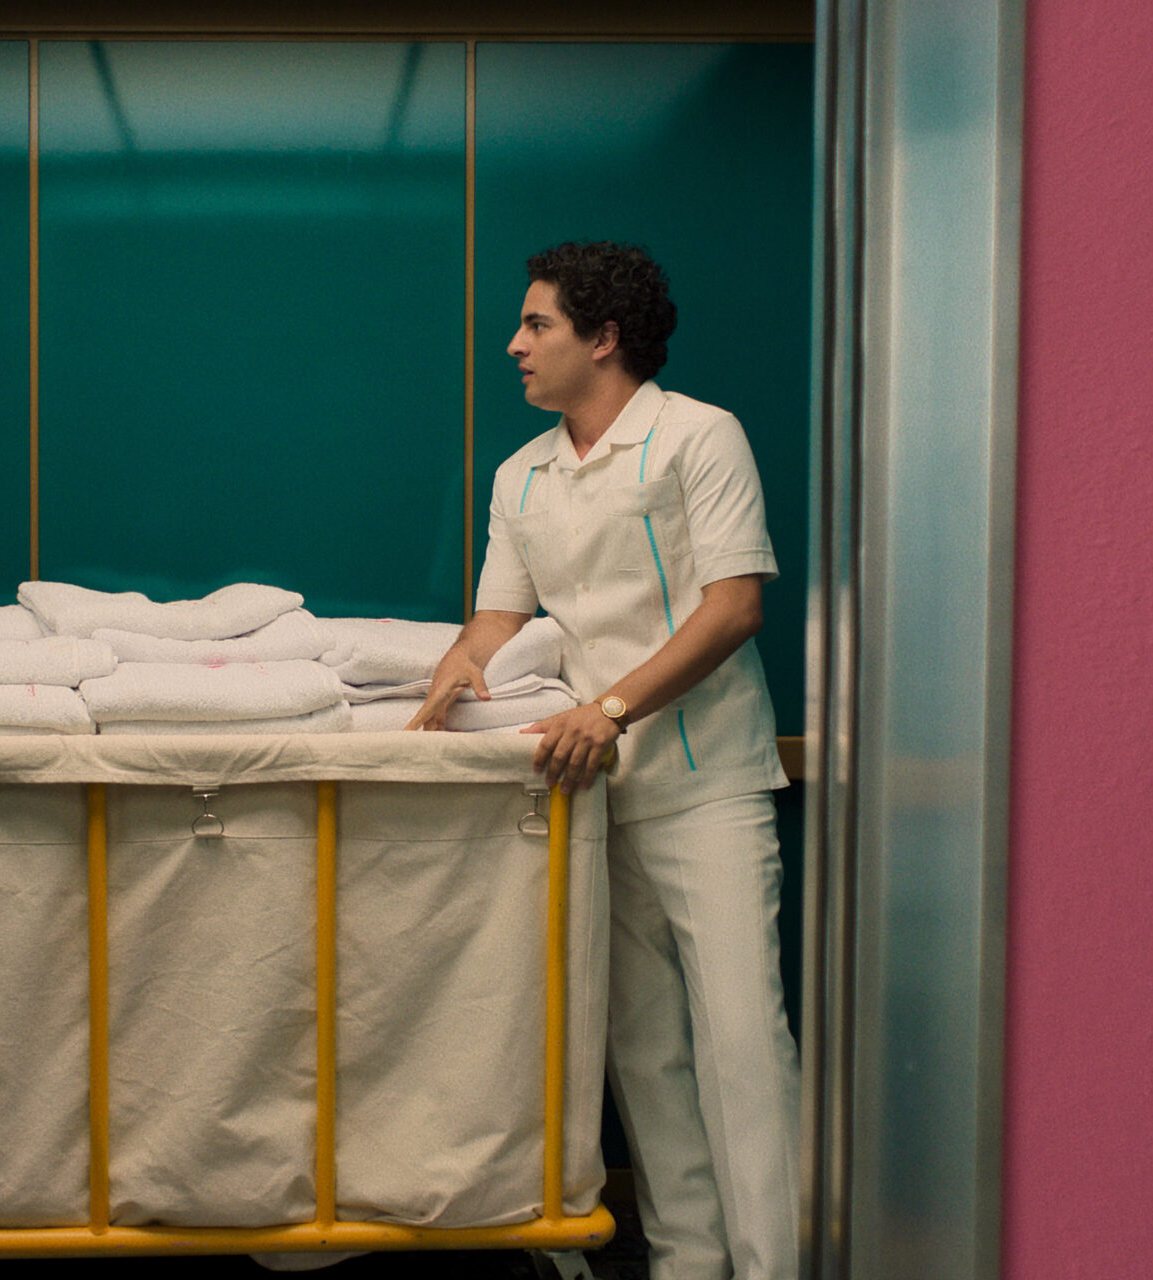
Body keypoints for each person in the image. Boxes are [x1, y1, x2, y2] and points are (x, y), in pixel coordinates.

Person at [412, 243, 798, 1280]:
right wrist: (449, 676)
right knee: (643, 1045)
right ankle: (686, 1262)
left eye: (536, 324)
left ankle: (773, 1265)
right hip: (587, 796)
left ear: (604, 336)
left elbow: (734, 605)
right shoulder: (520, 471)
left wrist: (612, 706)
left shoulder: (698, 437)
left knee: (740, 1043)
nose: (515, 344)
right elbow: (499, 616)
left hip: (706, 782)